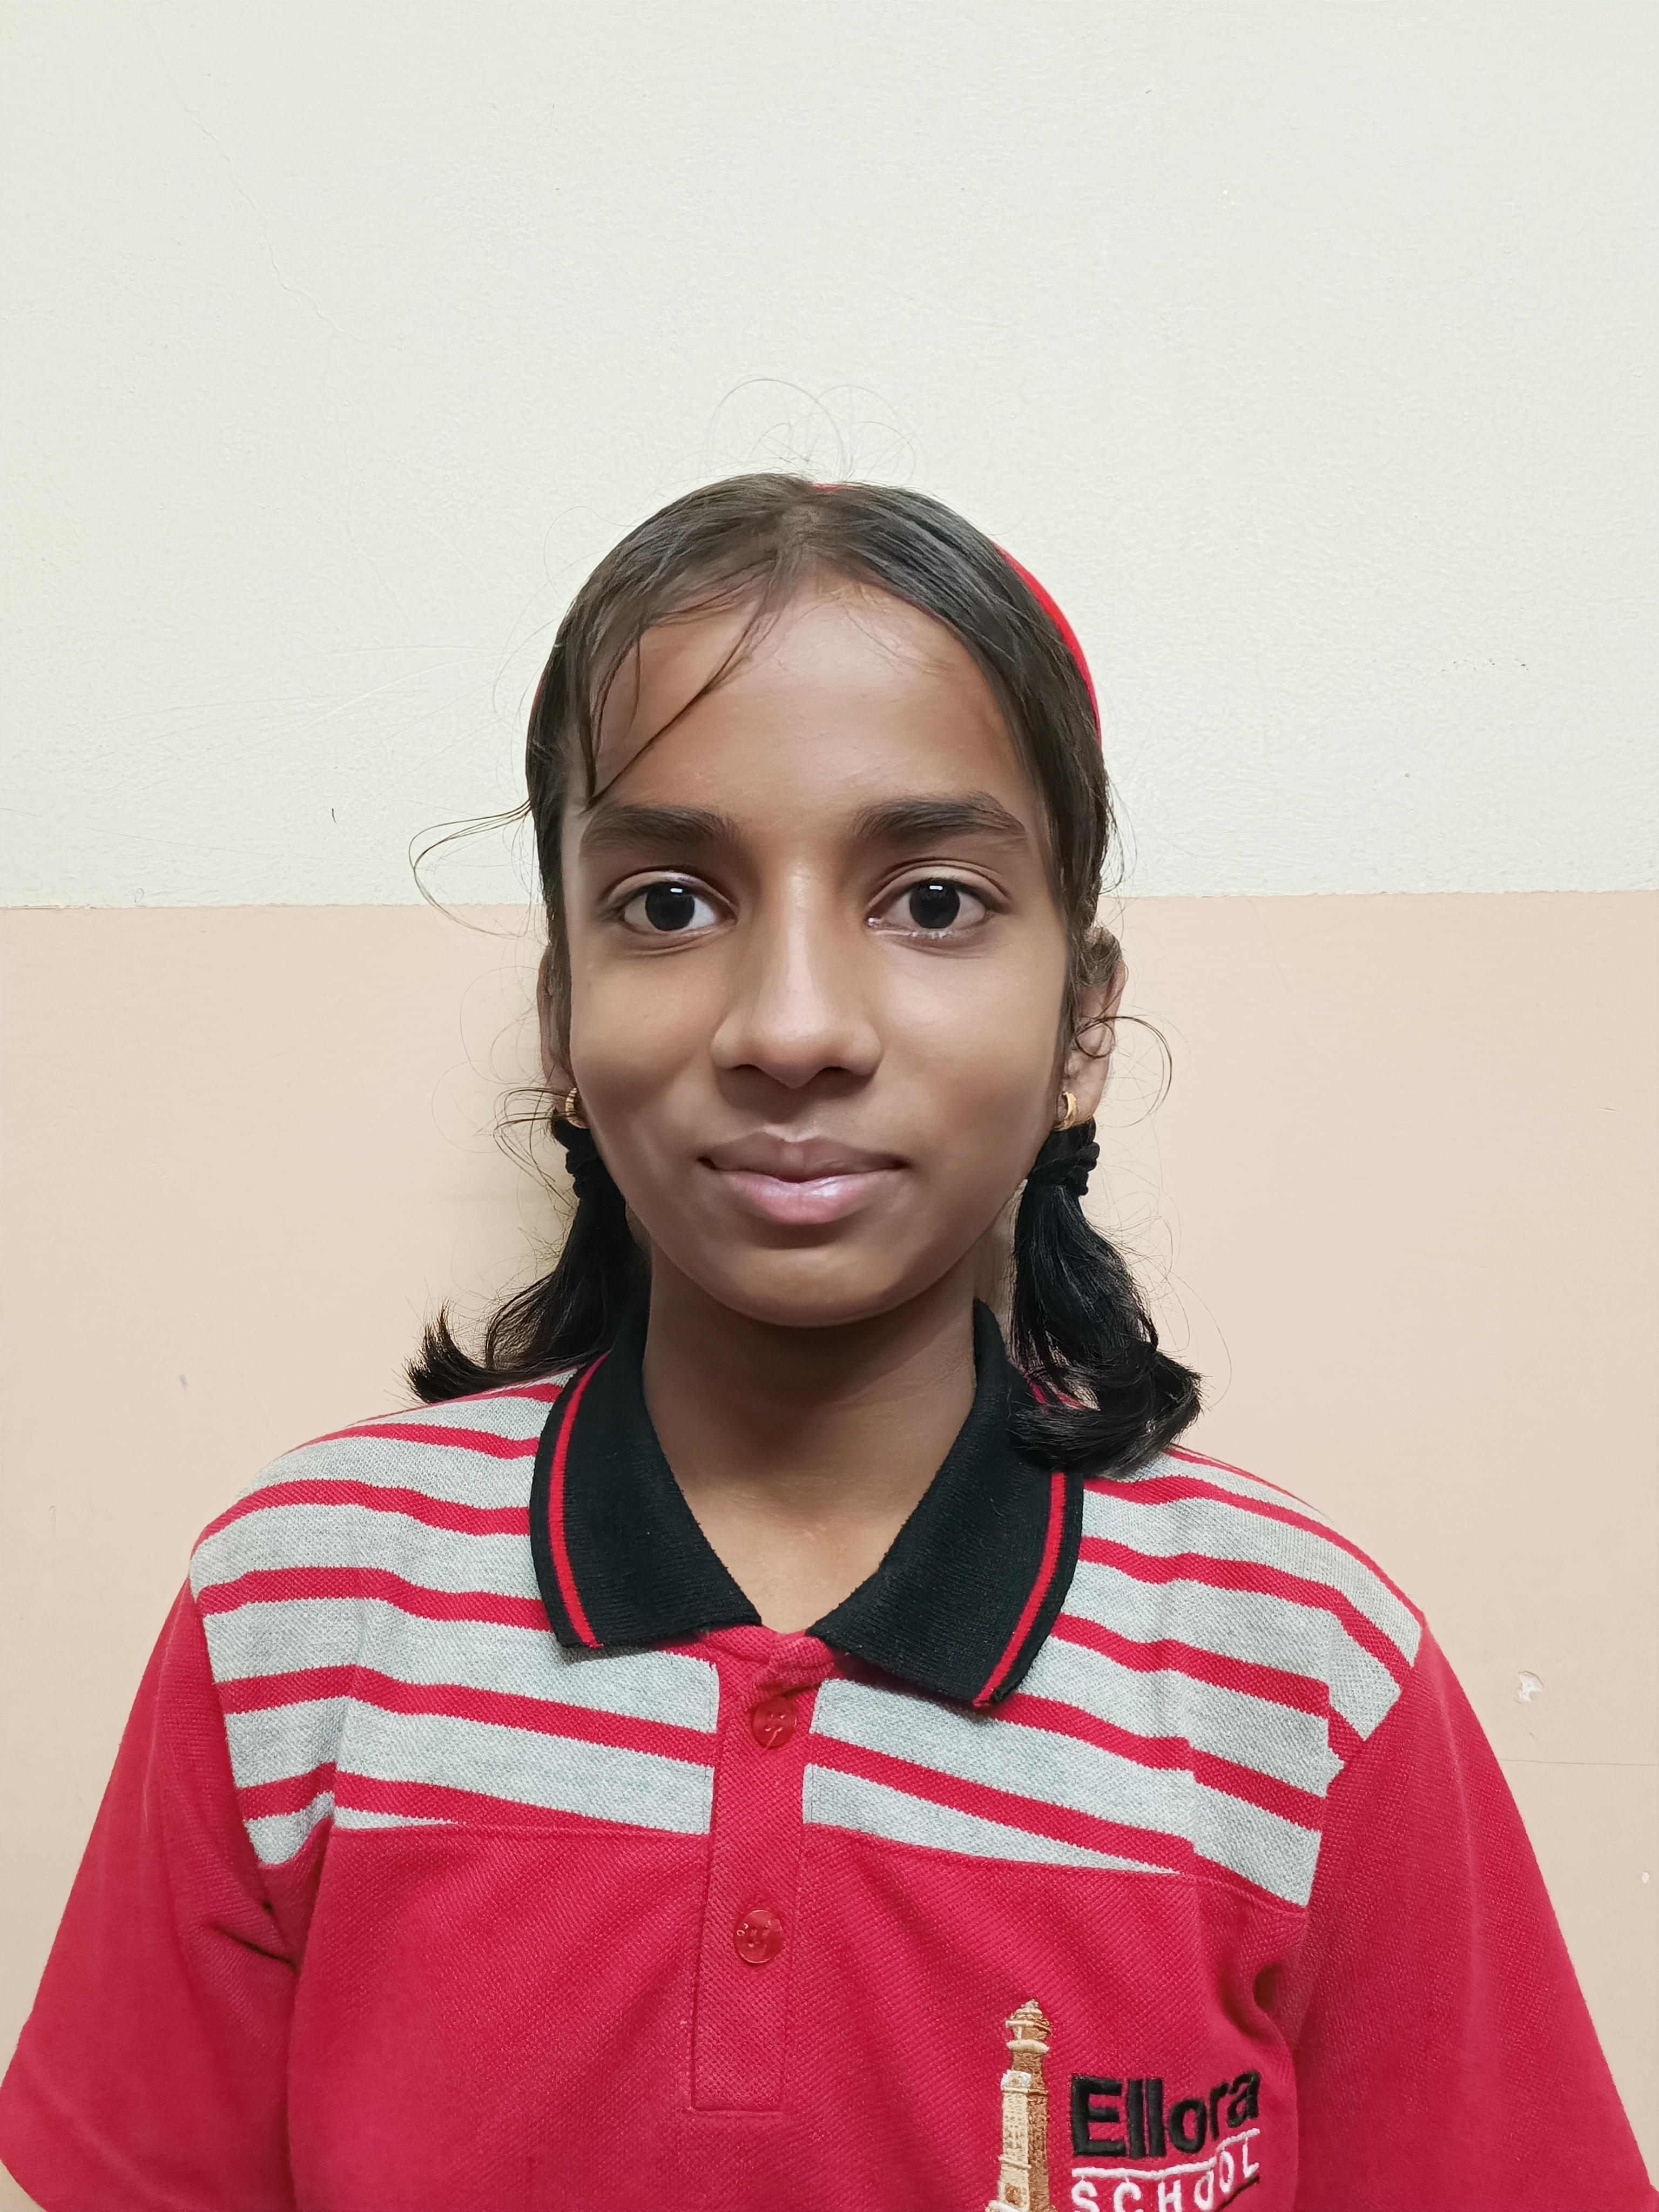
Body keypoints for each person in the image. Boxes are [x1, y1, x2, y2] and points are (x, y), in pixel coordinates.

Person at [1, 476, 1650, 2212]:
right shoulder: (298, 1616)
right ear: (561, 1018)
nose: (792, 1027)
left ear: (1082, 1024)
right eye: (670, 904)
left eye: (931, 902)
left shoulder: (1305, 1678)